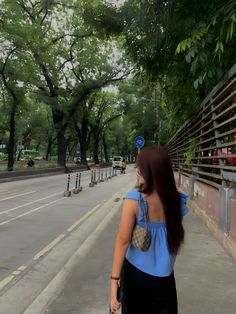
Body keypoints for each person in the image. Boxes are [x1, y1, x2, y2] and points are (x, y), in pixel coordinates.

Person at [110, 145, 189, 314]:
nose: (137, 170)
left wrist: (114, 280)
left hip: (136, 276)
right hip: (166, 277)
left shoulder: (134, 200)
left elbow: (123, 240)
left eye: (140, 167)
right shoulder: (176, 201)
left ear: (148, 171)